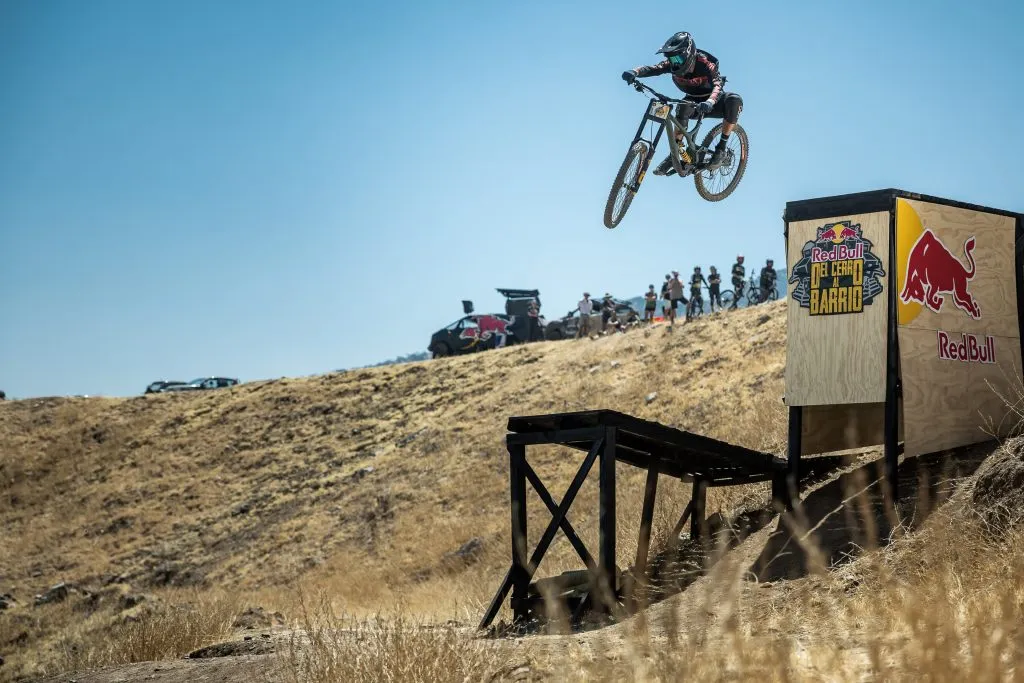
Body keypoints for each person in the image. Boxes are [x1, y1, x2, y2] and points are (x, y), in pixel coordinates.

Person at [622, 31, 744, 176]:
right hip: (692, 101)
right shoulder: (671, 64)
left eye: (678, 58)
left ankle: (721, 149)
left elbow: (718, 84)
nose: (675, 63)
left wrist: (710, 101)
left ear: (689, 54)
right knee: (683, 106)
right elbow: (652, 69)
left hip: (713, 101)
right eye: (671, 59)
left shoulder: (704, 63)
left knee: (734, 100)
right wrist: (634, 72)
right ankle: (674, 156)